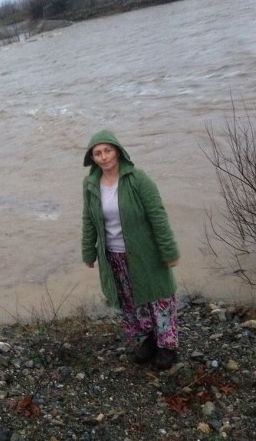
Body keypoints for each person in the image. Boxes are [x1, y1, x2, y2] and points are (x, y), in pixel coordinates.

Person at [81, 130, 180, 370]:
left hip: (145, 252)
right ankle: (148, 340)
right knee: (130, 301)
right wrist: (88, 252)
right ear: (92, 158)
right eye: (98, 153)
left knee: (158, 297)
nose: (104, 157)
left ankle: (167, 345)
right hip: (113, 256)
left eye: (108, 150)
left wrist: (169, 251)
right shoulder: (90, 184)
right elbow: (89, 219)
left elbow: (158, 216)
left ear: (117, 151)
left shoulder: (138, 179)